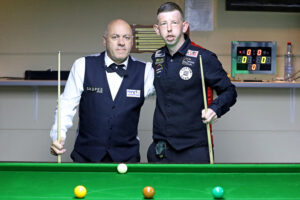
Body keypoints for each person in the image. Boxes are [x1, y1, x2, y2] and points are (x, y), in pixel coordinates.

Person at [50, 19, 154, 163]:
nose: (121, 42)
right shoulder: (83, 65)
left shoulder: (146, 71)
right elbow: (66, 105)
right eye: (115, 37)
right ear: (104, 41)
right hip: (86, 158)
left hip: (127, 160)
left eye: (126, 37)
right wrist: (57, 136)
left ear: (132, 42)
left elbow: (172, 94)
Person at [147, 2, 237, 163]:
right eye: (163, 24)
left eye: (174, 23)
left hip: (193, 148)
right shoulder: (157, 57)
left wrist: (215, 108)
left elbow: (230, 91)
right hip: (162, 148)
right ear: (156, 29)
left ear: (184, 26)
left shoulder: (204, 57)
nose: (169, 28)